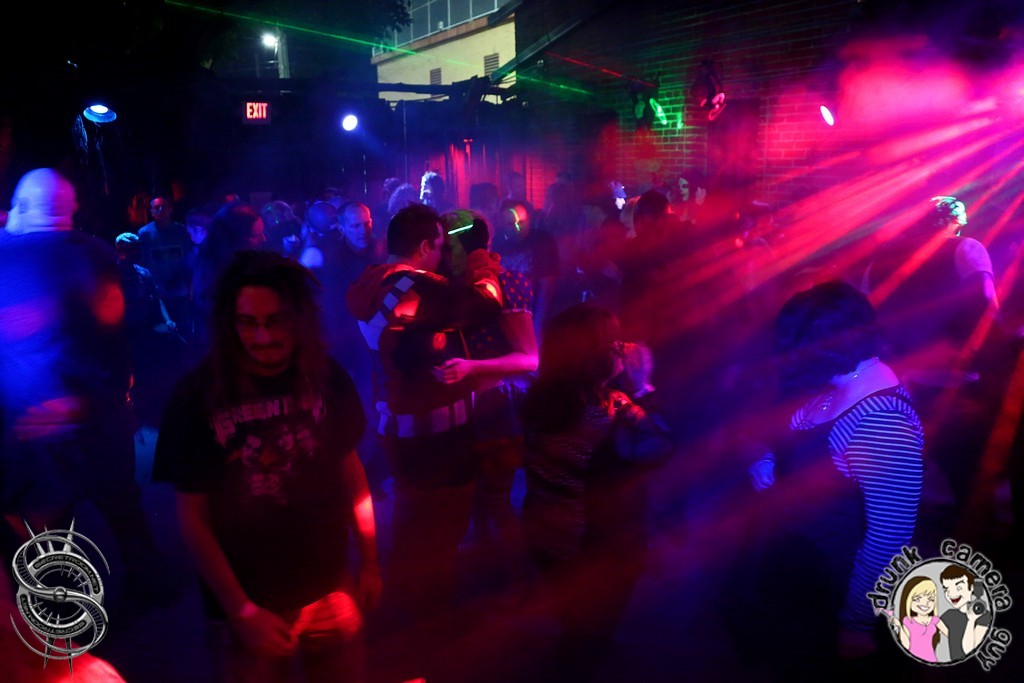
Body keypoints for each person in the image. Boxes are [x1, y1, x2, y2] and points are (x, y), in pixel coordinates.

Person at [153, 251, 380, 682]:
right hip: (249, 603)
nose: (263, 337)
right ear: (229, 324)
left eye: (276, 321)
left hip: (330, 589)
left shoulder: (326, 377)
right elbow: (193, 518)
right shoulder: (196, 397)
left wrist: (369, 562)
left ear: (299, 319)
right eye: (248, 323)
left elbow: (351, 474)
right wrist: (241, 611)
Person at [346, 203, 502, 680]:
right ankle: (419, 640)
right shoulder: (414, 286)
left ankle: (410, 631)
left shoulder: (373, 281)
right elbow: (487, 303)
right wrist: (481, 264)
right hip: (433, 433)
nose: (441, 254)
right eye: (438, 245)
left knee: (415, 528)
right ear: (422, 247)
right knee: (433, 536)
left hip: (401, 424)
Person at [0, 168, 168, 613]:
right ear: (70, 209)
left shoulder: (4, 256)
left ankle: (64, 617)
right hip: (100, 415)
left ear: (24, 206)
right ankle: (152, 585)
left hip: (33, 424)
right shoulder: (97, 253)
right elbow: (116, 332)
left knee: (48, 526)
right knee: (122, 508)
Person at [744, 280, 925, 675]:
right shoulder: (844, 382)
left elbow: (889, 537)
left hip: (836, 586)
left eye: (794, 347)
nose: (787, 358)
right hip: (802, 571)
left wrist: (855, 622)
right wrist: (766, 458)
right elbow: (787, 430)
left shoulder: (881, 420)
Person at [521, 303, 672, 682]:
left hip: (544, 531)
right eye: (614, 342)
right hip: (591, 545)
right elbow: (660, 446)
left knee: (573, 617)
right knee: (591, 629)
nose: (622, 348)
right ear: (595, 356)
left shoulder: (536, 399)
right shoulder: (609, 412)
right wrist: (642, 385)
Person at [436, 209, 538, 588]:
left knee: (496, 499)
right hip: (465, 408)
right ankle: (486, 575)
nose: (443, 254)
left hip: (497, 406)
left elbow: (529, 358)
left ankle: (518, 583)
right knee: (474, 499)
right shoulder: (455, 285)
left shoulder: (506, 283)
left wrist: (471, 368)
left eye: (447, 246)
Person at [495, 199, 559, 337]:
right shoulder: (498, 246)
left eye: (522, 222)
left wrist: (537, 327)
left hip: (537, 316)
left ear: (529, 220)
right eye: (511, 224)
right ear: (502, 225)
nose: (517, 228)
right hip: (509, 321)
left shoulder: (542, 241)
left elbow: (547, 288)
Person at [137, 194, 193, 330]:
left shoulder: (181, 231)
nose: (160, 209)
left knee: (184, 328)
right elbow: (142, 262)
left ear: (170, 210)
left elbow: (189, 258)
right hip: (158, 293)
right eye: (156, 207)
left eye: (163, 206)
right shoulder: (144, 233)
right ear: (151, 211)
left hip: (180, 291)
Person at [883, 576, 946, 662]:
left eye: (931, 599)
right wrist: (899, 626)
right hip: (912, 660)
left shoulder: (935, 620)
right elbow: (906, 645)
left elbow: (952, 635)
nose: (925, 603)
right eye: (917, 599)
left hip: (932, 659)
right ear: (908, 600)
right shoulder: (908, 621)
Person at [938, 564, 991, 660]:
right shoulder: (949, 615)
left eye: (958, 588)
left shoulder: (984, 616)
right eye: (946, 589)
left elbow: (969, 651)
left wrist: (971, 620)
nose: (951, 594)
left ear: (971, 587)